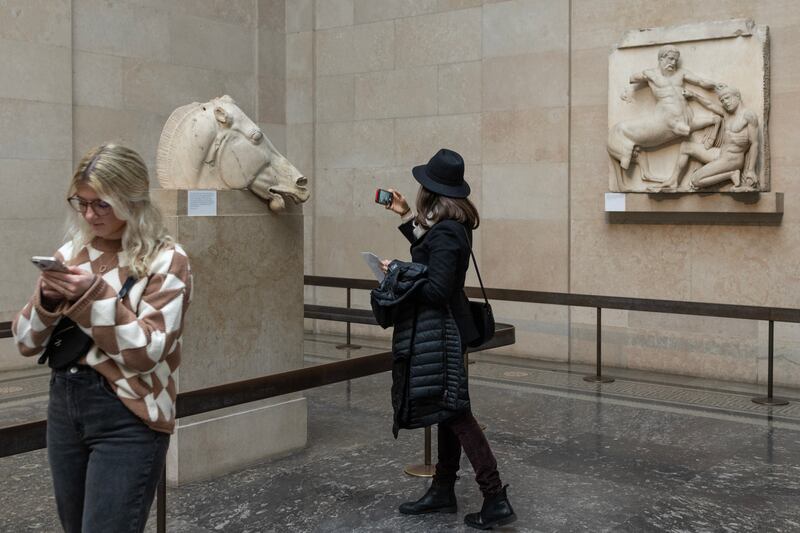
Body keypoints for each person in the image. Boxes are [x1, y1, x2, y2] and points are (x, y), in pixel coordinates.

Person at [12, 143, 192, 533]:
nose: (90, 214)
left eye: (102, 204)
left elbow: (147, 351)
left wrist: (91, 297)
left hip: (129, 414)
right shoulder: (72, 253)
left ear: (132, 200)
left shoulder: (167, 259)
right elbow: (25, 341)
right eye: (82, 203)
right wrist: (47, 301)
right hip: (65, 403)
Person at [380, 148, 516, 530]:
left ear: (431, 192)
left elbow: (437, 288)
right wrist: (405, 216)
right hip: (445, 331)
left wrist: (398, 273)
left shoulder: (447, 233)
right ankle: (443, 489)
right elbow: (430, 256)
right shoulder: (450, 227)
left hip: (442, 334)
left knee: (456, 413)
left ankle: (495, 497)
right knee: (447, 411)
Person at [657, 84, 760, 191]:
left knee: (695, 180)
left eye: (727, 98)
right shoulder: (727, 114)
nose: (725, 102)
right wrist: (693, 95)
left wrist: (751, 170)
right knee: (686, 146)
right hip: (720, 153)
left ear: (737, 96)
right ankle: (673, 181)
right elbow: (710, 105)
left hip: (732, 159)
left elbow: (754, 143)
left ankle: (731, 174)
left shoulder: (749, 115)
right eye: (722, 100)